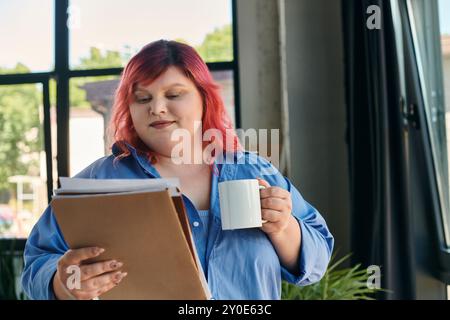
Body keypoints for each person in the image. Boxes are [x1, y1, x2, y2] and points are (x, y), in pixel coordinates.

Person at [21, 40, 334, 300]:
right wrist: (64, 284)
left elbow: (318, 260)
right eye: (142, 98)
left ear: (204, 99)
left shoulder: (253, 171)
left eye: (173, 95)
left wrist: (285, 228)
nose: (156, 108)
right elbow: (37, 265)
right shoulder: (98, 181)